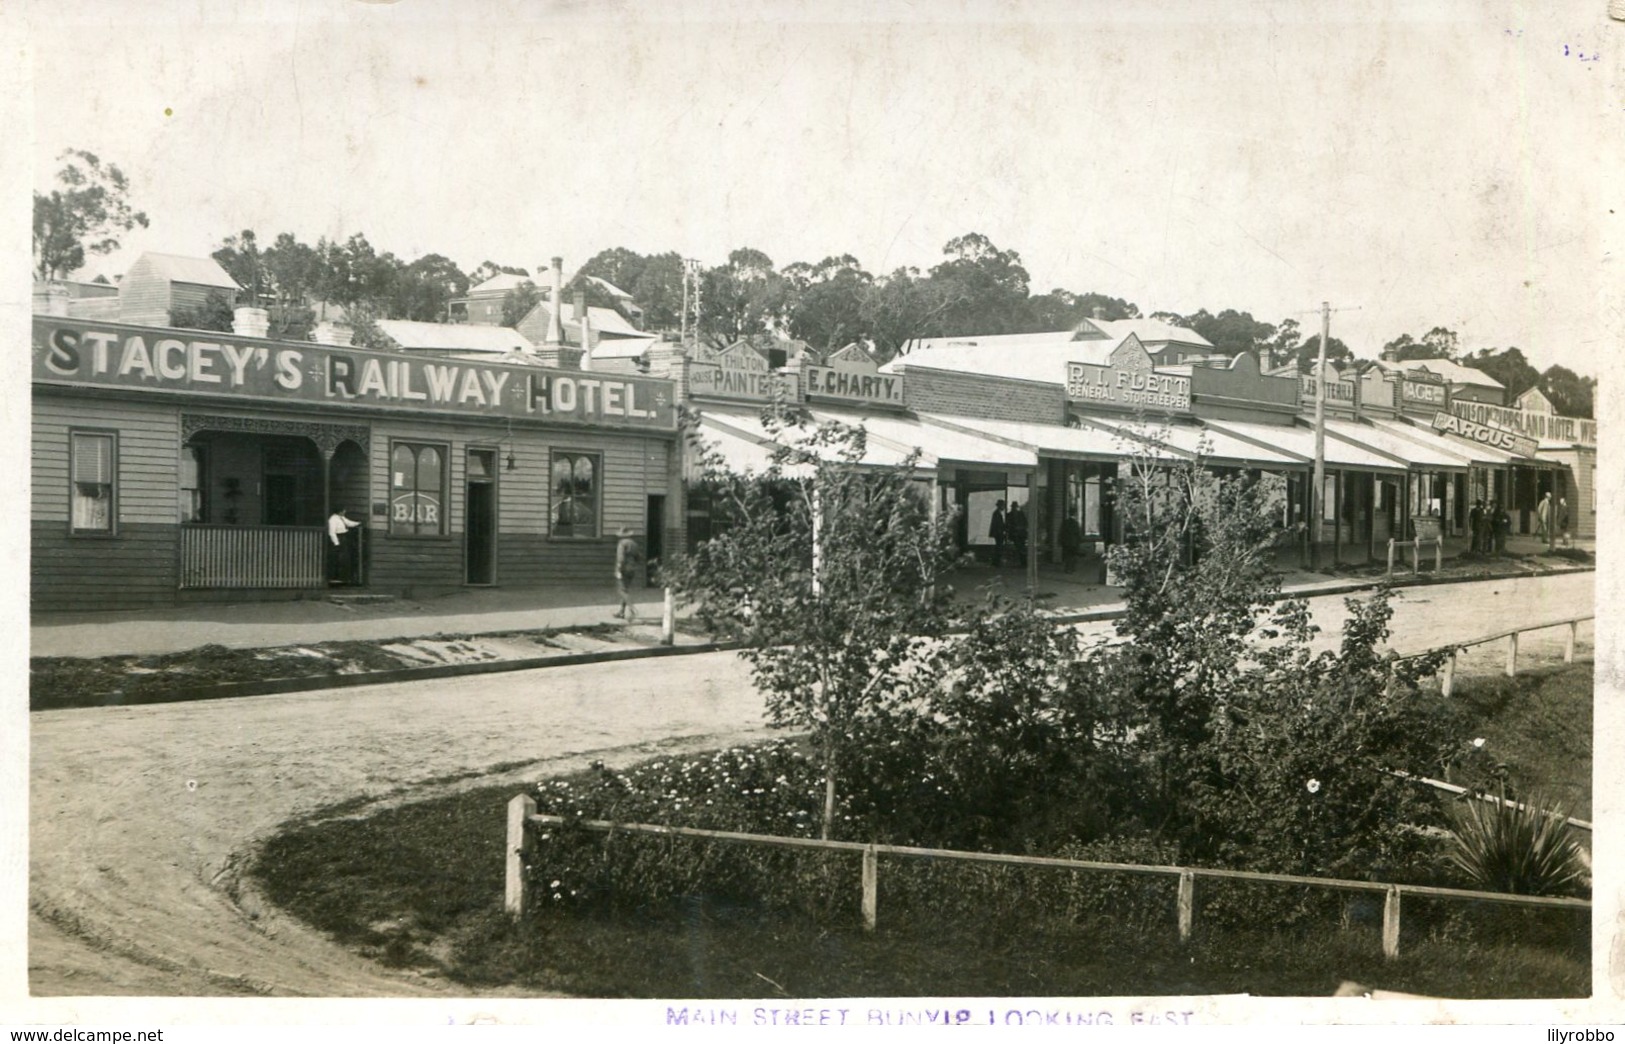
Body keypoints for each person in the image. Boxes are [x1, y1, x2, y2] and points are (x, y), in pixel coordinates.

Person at [327, 507, 363, 585]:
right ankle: (336, 578)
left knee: (345, 558)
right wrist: (336, 543)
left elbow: (349, 523)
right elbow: (332, 532)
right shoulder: (332, 520)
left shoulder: (342, 518)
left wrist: (358, 523)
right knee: (339, 559)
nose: (345, 512)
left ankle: (344, 578)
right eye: (343, 510)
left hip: (344, 537)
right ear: (339, 511)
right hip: (338, 538)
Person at [614, 526, 641, 620]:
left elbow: (620, 558)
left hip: (624, 568)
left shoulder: (621, 544)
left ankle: (632, 609)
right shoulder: (634, 544)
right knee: (626, 589)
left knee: (621, 590)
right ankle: (621, 612)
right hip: (632, 568)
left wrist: (618, 569)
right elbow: (638, 557)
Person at [1007, 501, 1027, 567]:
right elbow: (1008, 525)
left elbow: (1026, 523)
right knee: (1018, 548)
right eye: (1013, 507)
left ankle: (1024, 563)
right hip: (1014, 535)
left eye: (1015, 507)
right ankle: (1020, 562)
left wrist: (1020, 527)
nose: (1014, 508)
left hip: (1021, 534)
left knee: (1022, 548)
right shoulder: (1009, 515)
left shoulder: (1021, 514)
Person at [988, 499, 1007, 567]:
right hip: (998, 533)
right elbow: (997, 524)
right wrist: (1002, 530)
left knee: (999, 547)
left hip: (998, 533)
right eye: (1003, 506)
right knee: (999, 547)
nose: (1004, 507)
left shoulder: (997, 513)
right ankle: (996, 562)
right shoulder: (997, 513)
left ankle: (996, 561)